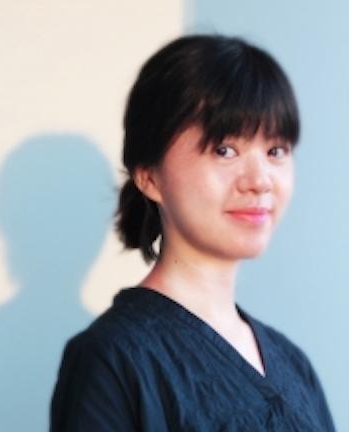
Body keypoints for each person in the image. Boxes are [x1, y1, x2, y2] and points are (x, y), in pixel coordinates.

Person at [50, 34, 336, 431]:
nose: (260, 181)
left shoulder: (294, 366)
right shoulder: (113, 359)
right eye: (225, 149)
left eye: (276, 151)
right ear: (150, 177)